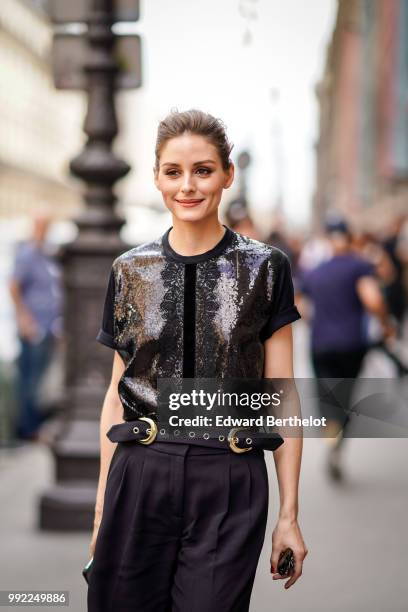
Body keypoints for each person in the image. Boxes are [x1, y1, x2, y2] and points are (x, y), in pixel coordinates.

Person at [87, 109, 308, 612]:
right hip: (139, 470)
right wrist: (103, 510)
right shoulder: (129, 270)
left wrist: (289, 515)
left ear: (227, 175)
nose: (188, 185)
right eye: (174, 172)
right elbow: (116, 393)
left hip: (228, 478)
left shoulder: (266, 268)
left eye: (203, 170)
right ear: (158, 178)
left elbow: (283, 395)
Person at [297, 217, 395, 481]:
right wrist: (386, 324)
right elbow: (373, 299)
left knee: (328, 398)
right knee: (347, 397)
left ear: (327, 240)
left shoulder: (316, 272)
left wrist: (317, 322)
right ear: (350, 238)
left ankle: (332, 433)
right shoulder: (359, 267)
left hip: (321, 344)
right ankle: (338, 440)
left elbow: (301, 305)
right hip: (352, 344)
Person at [9, 207, 62, 441]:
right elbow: (14, 287)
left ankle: (34, 427)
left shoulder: (46, 254)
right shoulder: (27, 254)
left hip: (49, 326)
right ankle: (27, 431)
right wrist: (24, 319)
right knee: (29, 381)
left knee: (39, 381)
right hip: (33, 327)